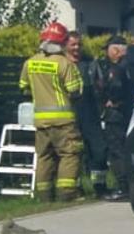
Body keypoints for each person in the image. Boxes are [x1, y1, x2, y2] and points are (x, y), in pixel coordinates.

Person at [20, 22, 85, 202]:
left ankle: (43, 196)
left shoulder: (30, 62)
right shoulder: (63, 63)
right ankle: (67, 194)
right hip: (63, 121)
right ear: (62, 42)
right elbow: (74, 90)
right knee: (69, 155)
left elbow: (24, 87)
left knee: (44, 157)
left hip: (40, 121)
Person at [64, 40, 107, 199]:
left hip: (91, 112)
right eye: (72, 44)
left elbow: (100, 84)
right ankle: (76, 188)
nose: (76, 48)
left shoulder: (90, 63)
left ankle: (100, 186)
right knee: (73, 153)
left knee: (99, 150)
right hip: (70, 113)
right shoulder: (61, 63)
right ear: (65, 46)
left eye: (78, 44)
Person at [96, 35, 134, 201]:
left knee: (117, 151)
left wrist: (113, 100)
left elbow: (116, 86)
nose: (107, 53)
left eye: (109, 49)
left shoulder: (118, 68)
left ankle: (123, 187)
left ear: (116, 50)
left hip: (116, 115)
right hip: (128, 114)